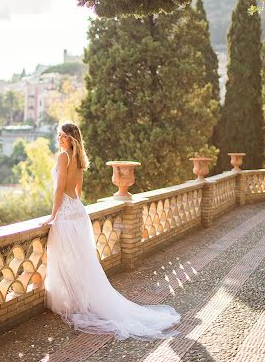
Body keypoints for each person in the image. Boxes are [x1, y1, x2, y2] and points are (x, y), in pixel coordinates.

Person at [41, 121, 180, 340]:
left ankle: (75, 302)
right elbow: (78, 189)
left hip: (67, 215)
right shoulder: (79, 159)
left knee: (67, 259)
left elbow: (59, 188)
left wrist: (52, 215)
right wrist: (72, 204)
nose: (59, 139)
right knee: (82, 261)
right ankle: (81, 300)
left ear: (71, 139)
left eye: (63, 136)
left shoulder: (63, 156)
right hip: (78, 211)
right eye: (58, 135)